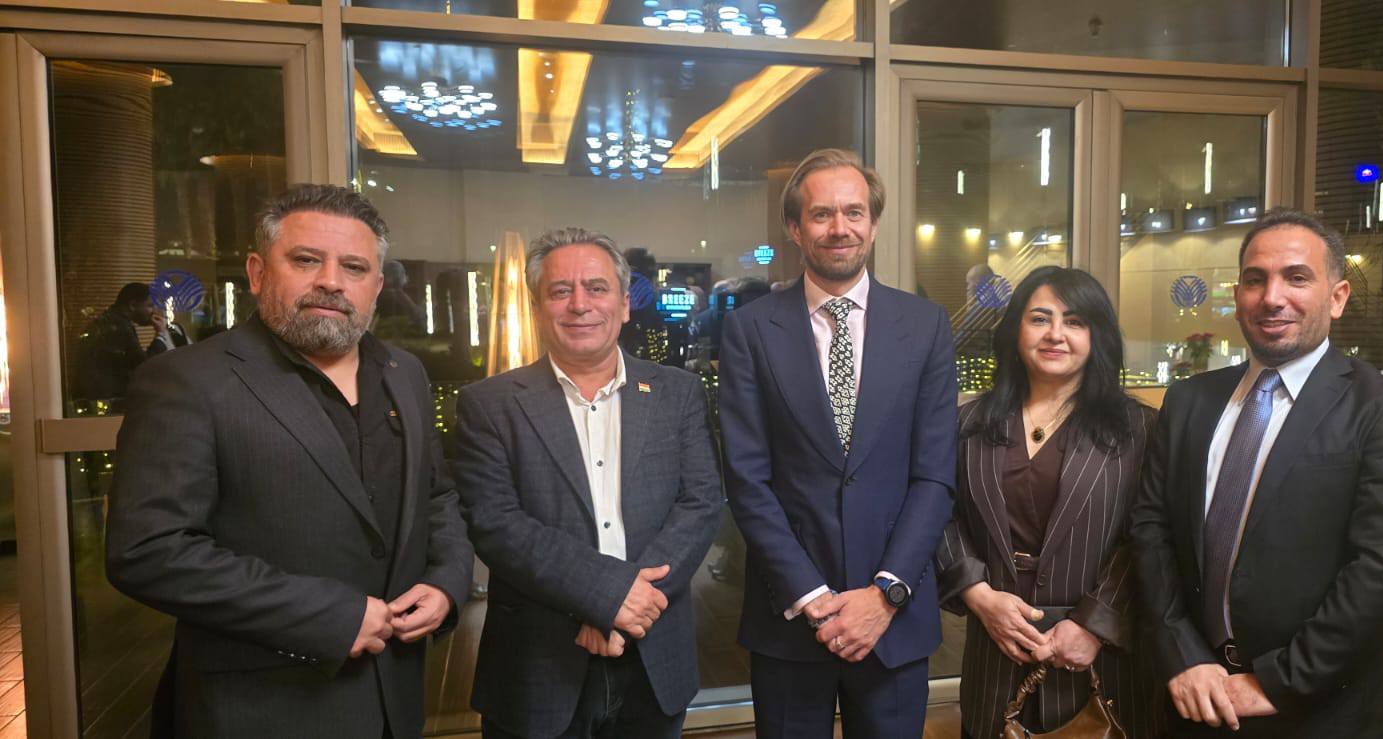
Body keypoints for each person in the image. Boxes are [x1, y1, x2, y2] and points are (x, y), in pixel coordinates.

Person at [104, 184, 475, 739]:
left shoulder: (405, 373)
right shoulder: (186, 381)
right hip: (260, 709)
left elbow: (437, 496)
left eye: (354, 267)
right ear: (257, 273)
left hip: (393, 701)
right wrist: (330, 616)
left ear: (376, 286)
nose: (331, 281)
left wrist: (446, 582)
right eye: (306, 260)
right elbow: (149, 551)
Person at [1129, 208, 1383, 737]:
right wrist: (1182, 654)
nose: (1272, 297)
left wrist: (1277, 681)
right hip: (1194, 698)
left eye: (1297, 278)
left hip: (1319, 710)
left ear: (1337, 297)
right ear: (1238, 296)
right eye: (1255, 280)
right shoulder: (1189, 400)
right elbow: (1151, 529)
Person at [718, 148, 957, 738]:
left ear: (873, 224)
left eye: (854, 212)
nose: (839, 228)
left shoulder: (925, 326)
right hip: (790, 618)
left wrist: (886, 593)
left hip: (893, 620)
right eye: (821, 214)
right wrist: (811, 595)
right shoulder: (750, 330)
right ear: (795, 229)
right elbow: (747, 478)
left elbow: (934, 476)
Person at [455, 227, 723, 739]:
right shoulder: (489, 405)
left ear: (624, 305)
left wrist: (631, 606)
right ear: (537, 306)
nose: (580, 304)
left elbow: (701, 503)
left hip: (654, 655)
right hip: (538, 667)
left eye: (597, 288)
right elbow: (496, 524)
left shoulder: (678, 392)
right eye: (561, 291)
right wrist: (606, 597)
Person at [937, 266, 1160, 739]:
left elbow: (1149, 534)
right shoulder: (967, 424)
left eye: (1075, 322)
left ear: (1097, 337)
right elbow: (941, 514)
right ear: (1015, 329)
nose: (1055, 334)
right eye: (1040, 318)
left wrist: (1094, 626)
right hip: (995, 649)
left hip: (1099, 662)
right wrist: (977, 594)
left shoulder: (1140, 429)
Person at [73, 281, 190, 405]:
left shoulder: (111, 321)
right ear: (133, 305)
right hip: (107, 399)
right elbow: (144, 365)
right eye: (150, 306)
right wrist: (161, 335)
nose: (153, 311)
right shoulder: (119, 327)